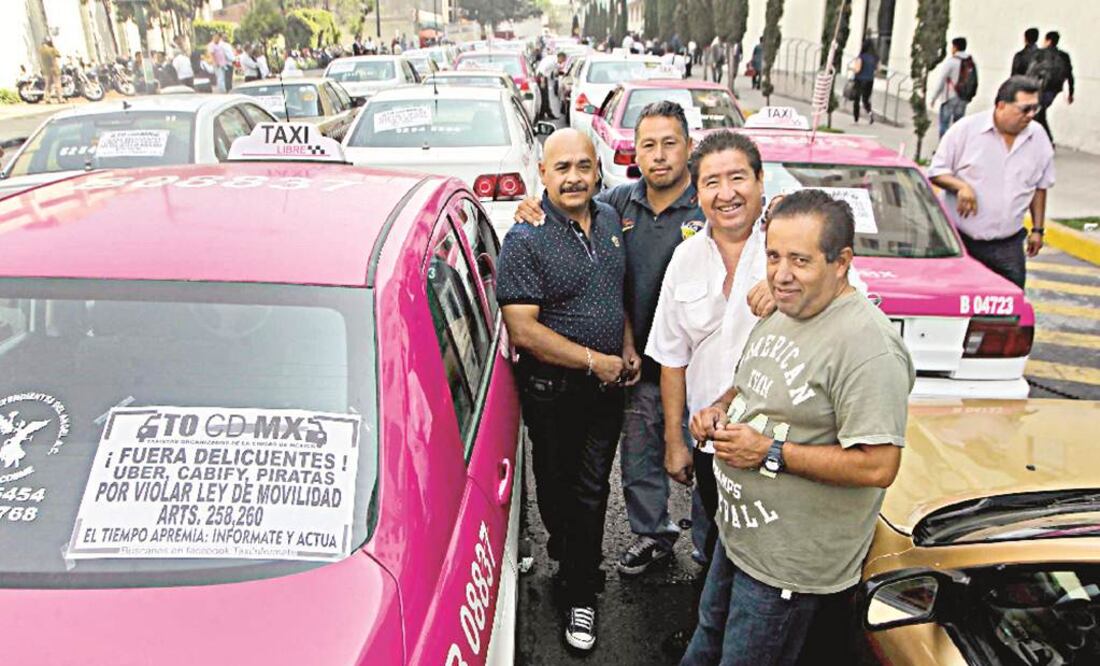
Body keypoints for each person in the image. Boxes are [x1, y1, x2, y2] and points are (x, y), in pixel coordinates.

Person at [680, 188, 915, 666]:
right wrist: (719, 410)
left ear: (842, 261)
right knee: (707, 640)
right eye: (773, 256)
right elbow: (749, 389)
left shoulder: (868, 349)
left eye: (800, 261)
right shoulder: (786, 310)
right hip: (741, 537)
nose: (781, 275)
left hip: (789, 567)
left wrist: (768, 452)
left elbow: (879, 465)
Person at [513, 103, 727, 579]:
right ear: (635, 153)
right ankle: (653, 534)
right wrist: (530, 205)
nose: (659, 156)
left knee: (709, 460)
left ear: (689, 149)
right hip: (640, 363)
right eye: (647, 145)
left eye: (670, 144)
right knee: (640, 459)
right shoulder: (618, 205)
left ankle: (712, 550)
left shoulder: (710, 204)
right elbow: (569, 201)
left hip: (705, 365)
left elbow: (757, 218)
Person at [496, 128, 630, 652]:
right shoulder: (525, 239)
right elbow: (523, 330)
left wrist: (627, 345)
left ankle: (580, 592)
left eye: (583, 166)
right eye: (562, 168)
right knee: (556, 492)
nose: (574, 177)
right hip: (554, 394)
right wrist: (595, 361)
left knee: (591, 492)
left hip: (606, 392)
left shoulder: (612, 219)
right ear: (543, 176)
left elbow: (612, 292)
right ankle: (568, 550)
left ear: (598, 171)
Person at [929, 76, 1054, 289]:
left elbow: (1040, 186)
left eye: (1036, 108)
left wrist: (1038, 229)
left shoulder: (1038, 137)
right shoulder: (966, 130)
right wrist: (961, 187)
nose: (1031, 115)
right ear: (1001, 106)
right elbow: (937, 172)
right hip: (961, 241)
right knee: (956, 303)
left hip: (1008, 243)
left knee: (1010, 308)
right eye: (1025, 109)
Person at [1028, 31, 1075, 143]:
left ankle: (1045, 140)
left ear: (1048, 40)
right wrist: (1071, 93)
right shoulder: (1064, 56)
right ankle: (1046, 140)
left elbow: (1031, 71)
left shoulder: (1039, 54)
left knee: (1037, 114)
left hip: (1039, 88)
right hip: (1054, 90)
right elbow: (1069, 75)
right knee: (1040, 112)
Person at [930, 37, 976, 137]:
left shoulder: (951, 62)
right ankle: (955, 149)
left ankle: (944, 149)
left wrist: (934, 98)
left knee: (944, 125)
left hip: (950, 98)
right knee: (958, 128)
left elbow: (941, 81)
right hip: (963, 98)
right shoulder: (970, 62)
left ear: (955, 47)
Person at [850, 39, 878, 124]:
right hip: (870, 80)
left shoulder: (861, 57)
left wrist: (853, 69)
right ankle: (870, 114)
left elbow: (857, 69)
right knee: (866, 100)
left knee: (857, 99)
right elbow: (877, 69)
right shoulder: (875, 58)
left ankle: (856, 119)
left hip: (860, 80)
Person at [38, 38, 62, 104]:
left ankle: (47, 98)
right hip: (54, 69)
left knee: (48, 85)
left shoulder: (41, 50)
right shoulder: (52, 49)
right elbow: (59, 55)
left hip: (46, 70)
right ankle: (60, 99)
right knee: (57, 84)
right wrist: (53, 46)